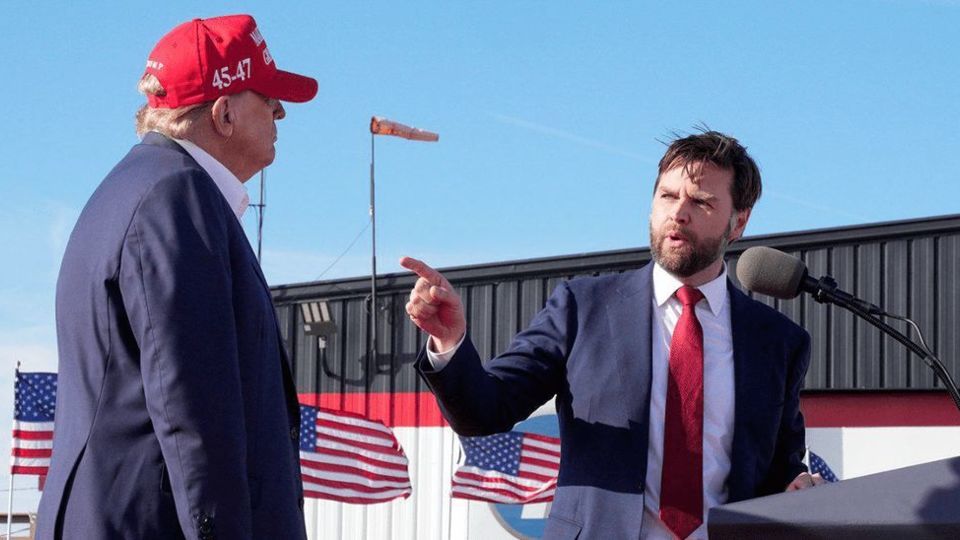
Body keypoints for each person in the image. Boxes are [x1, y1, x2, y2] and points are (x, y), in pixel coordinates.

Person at [401, 130, 824, 539]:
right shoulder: (582, 307)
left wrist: (797, 486)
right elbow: (484, 411)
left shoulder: (778, 342)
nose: (678, 213)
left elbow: (779, 470)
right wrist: (449, 343)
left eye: (701, 201)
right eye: (667, 196)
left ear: (738, 222)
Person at [38, 15, 317, 540]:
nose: (280, 111)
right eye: (267, 97)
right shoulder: (175, 198)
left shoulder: (132, 190)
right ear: (224, 113)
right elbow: (195, 418)